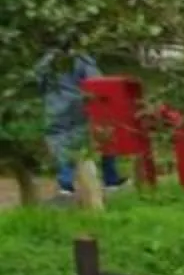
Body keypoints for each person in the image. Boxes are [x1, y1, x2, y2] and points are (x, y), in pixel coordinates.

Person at [36, 50, 121, 199]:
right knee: (91, 138)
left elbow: (39, 84)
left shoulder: (45, 61)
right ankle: (110, 180)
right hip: (77, 105)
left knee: (60, 142)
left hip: (53, 106)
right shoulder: (81, 59)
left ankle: (65, 185)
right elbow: (96, 83)